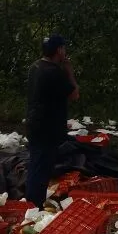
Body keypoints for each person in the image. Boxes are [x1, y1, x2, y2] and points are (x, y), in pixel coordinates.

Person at [25, 34, 79, 207]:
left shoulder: (35, 67)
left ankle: (32, 202)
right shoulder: (55, 72)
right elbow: (74, 94)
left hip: (34, 122)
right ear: (59, 50)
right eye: (63, 48)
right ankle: (34, 205)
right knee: (41, 167)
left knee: (36, 164)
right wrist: (69, 71)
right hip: (47, 127)